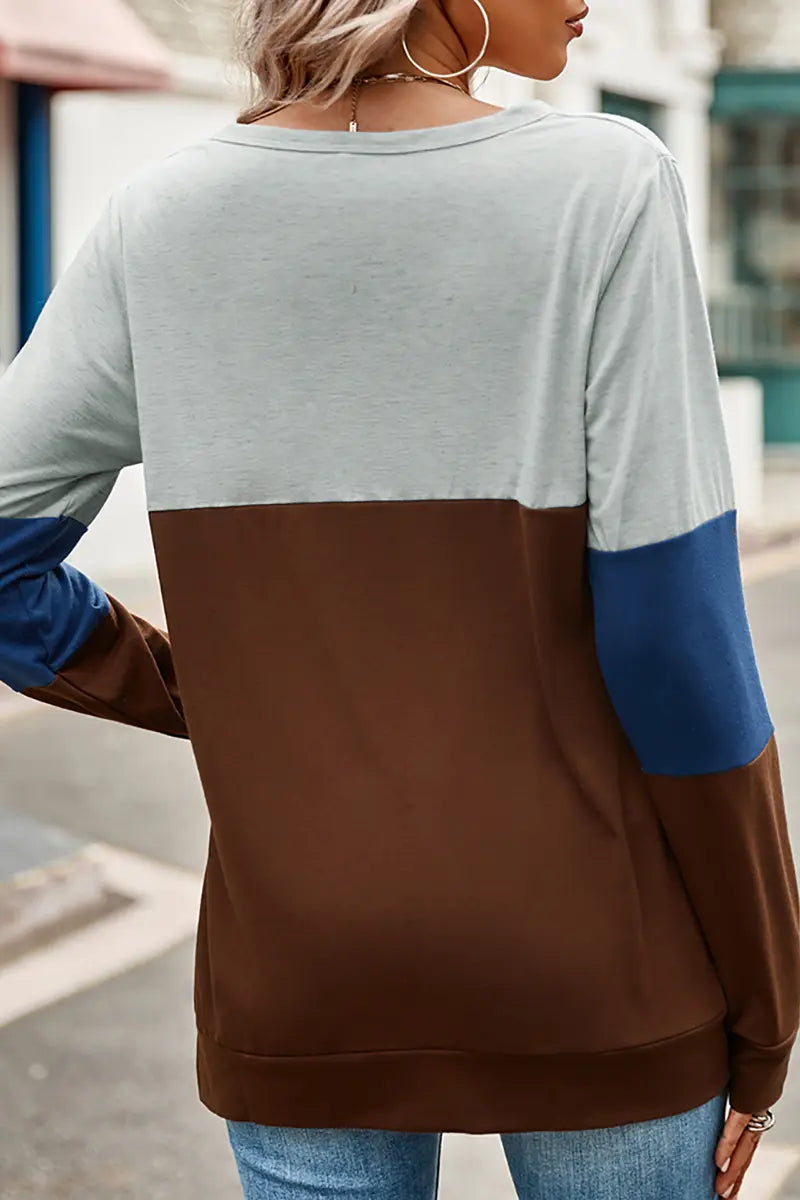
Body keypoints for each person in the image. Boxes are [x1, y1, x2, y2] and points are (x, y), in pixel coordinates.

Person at [0, 0, 798, 1195]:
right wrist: (764, 999)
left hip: (300, 973)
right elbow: (672, 641)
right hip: (603, 968)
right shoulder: (603, 187)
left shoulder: (158, 216)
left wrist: (216, 693)